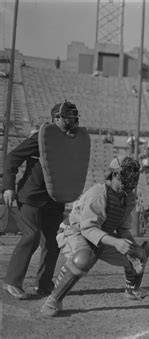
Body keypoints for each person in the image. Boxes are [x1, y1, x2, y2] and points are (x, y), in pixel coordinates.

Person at [40, 156, 149, 316]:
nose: (132, 175)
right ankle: (53, 301)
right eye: (127, 171)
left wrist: (134, 250)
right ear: (114, 174)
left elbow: (123, 230)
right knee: (84, 258)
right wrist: (116, 243)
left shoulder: (129, 197)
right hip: (75, 231)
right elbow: (88, 229)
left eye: (134, 172)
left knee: (142, 252)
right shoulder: (99, 193)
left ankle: (132, 290)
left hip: (102, 236)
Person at [2, 101, 84, 299]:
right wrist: (8, 187)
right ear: (56, 118)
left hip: (54, 199)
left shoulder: (71, 142)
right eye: (68, 116)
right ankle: (12, 281)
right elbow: (12, 158)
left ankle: (44, 285)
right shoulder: (41, 137)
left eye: (74, 116)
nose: (72, 120)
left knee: (53, 242)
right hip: (30, 197)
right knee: (31, 235)